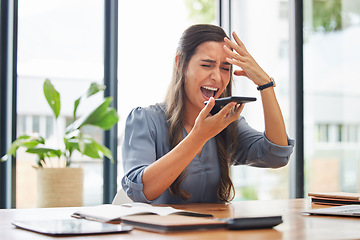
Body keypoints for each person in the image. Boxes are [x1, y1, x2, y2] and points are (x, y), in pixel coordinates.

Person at [120, 24, 295, 204]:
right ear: (180, 63)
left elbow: (277, 155)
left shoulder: (226, 125)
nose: (218, 78)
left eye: (225, 68)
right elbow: (141, 191)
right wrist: (199, 136)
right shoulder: (146, 120)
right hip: (163, 232)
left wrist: (265, 84)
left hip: (215, 231)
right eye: (206, 65)